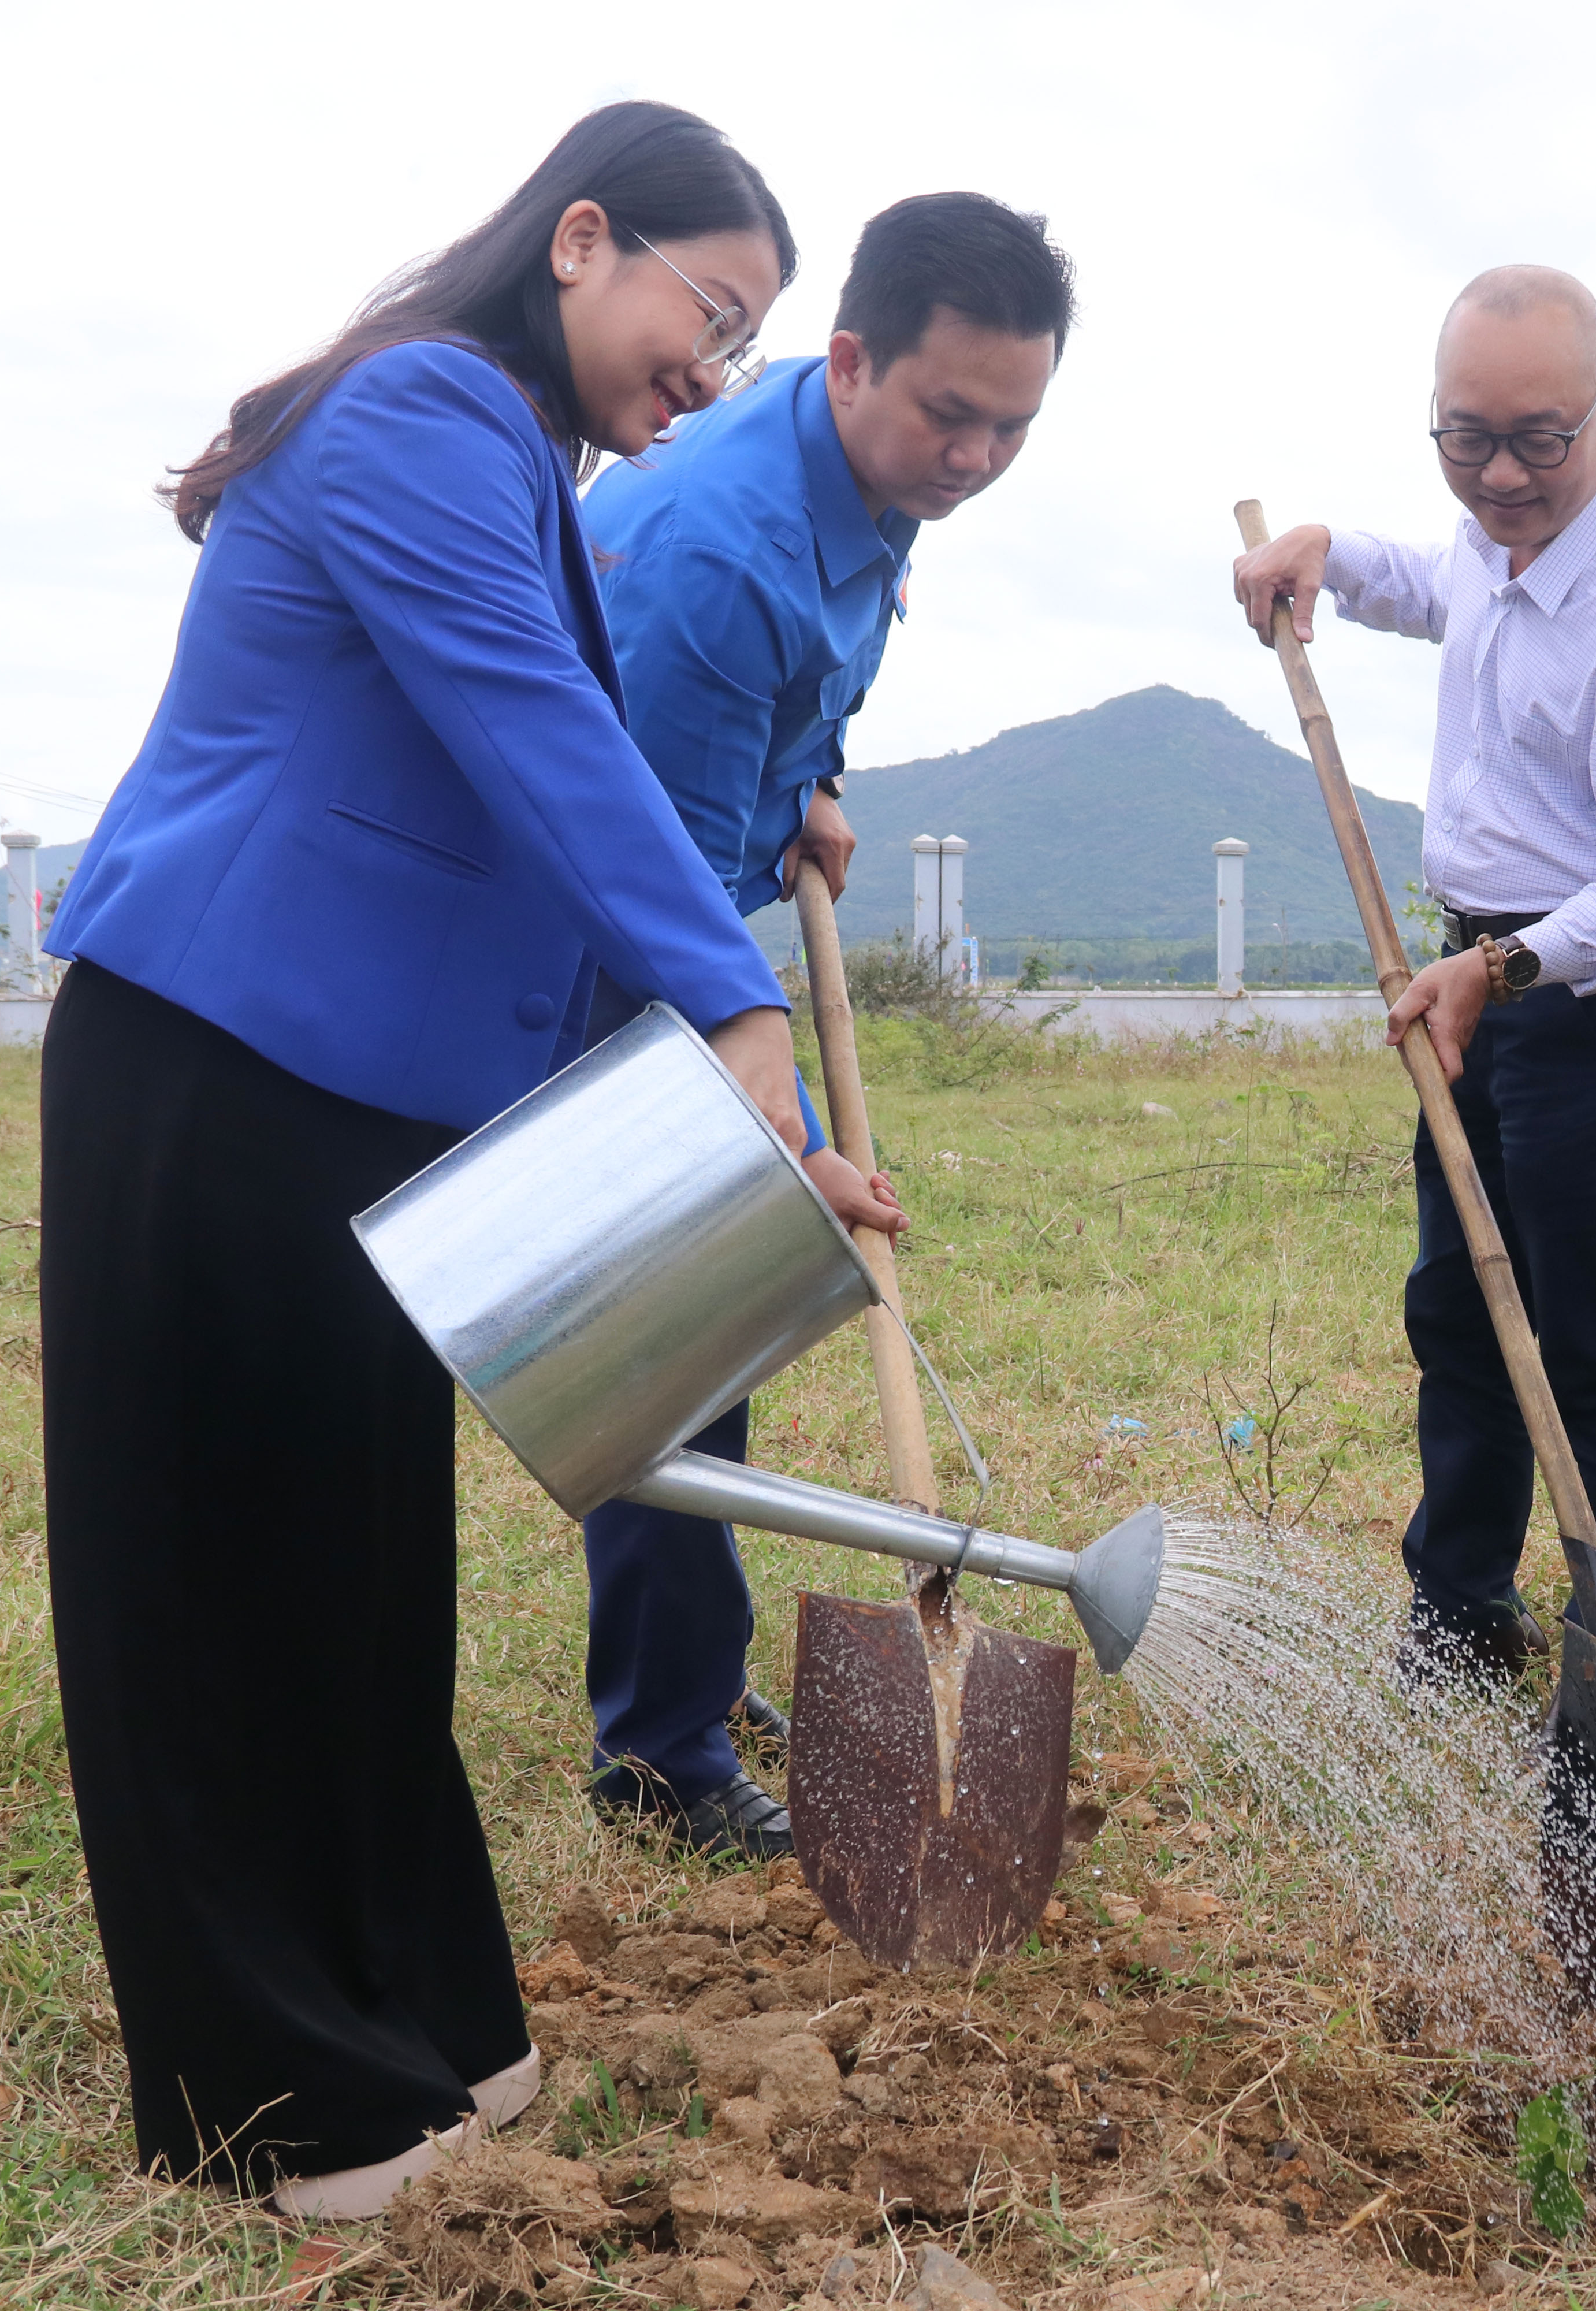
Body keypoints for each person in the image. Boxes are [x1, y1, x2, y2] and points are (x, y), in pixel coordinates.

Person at [42, 102, 900, 2220]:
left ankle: (429, 2019)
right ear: (580, 238)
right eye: (705, 318)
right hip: (215, 1062)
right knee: (212, 1589)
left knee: (355, 1572)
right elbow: (540, 736)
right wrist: (745, 1020)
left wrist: (747, 1141)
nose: (706, 376)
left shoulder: (518, 465)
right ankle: (281, 2105)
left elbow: (561, 783)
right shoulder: (420, 408)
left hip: (372, 1103)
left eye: (741, 347)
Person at [574, 192, 1074, 1860]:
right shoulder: (724, 553)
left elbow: (798, 692)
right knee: (674, 1329)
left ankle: (685, 1676)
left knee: (708, 1343)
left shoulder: (858, 472)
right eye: (952, 415)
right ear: (850, 359)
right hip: (597, 940)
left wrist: (810, 780)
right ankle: (658, 1751)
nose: (979, 456)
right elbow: (654, 899)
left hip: (694, 866)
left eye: (1015, 423)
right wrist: (788, 1148)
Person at [1227, 266, 1596, 1689]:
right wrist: (1330, 552)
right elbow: (1433, 586)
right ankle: (1459, 1611)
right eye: (1468, 439)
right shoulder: (1496, 535)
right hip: (1473, 980)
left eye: (1541, 438)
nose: (1505, 475)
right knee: (1459, 1308)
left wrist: (1503, 967)